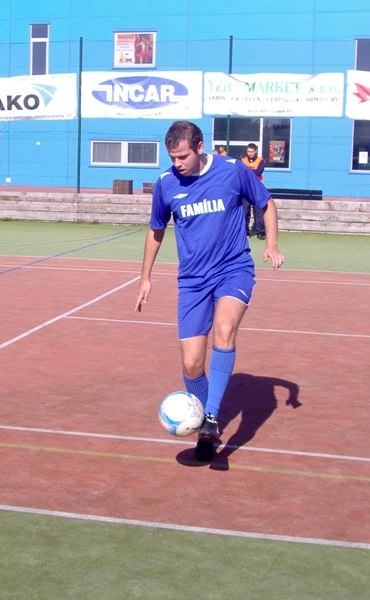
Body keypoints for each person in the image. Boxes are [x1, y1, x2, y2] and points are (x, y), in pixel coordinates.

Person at [134, 120, 285, 462]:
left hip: (233, 269)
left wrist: (272, 244)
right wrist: (145, 277)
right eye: (173, 158)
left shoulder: (232, 170)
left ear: (200, 148)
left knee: (225, 329)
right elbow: (156, 230)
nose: (178, 163)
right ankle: (204, 422)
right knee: (191, 364)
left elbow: (266, 203)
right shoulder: (166, 184)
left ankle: (212, 417)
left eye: (183, 156)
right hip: (192, 281)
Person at [241, 143, 266, 240]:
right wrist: (249, 172)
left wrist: (247, 171)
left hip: (257, 189)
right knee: (245, 211)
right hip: (246, 189)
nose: (250, 153)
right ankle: (245, 233)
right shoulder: (243, 160)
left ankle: (261, 232)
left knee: (258, 211)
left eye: (252, 151)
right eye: (248, 151)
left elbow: (259, 172)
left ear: (255, 151)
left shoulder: (261, 161)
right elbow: (241, 171)